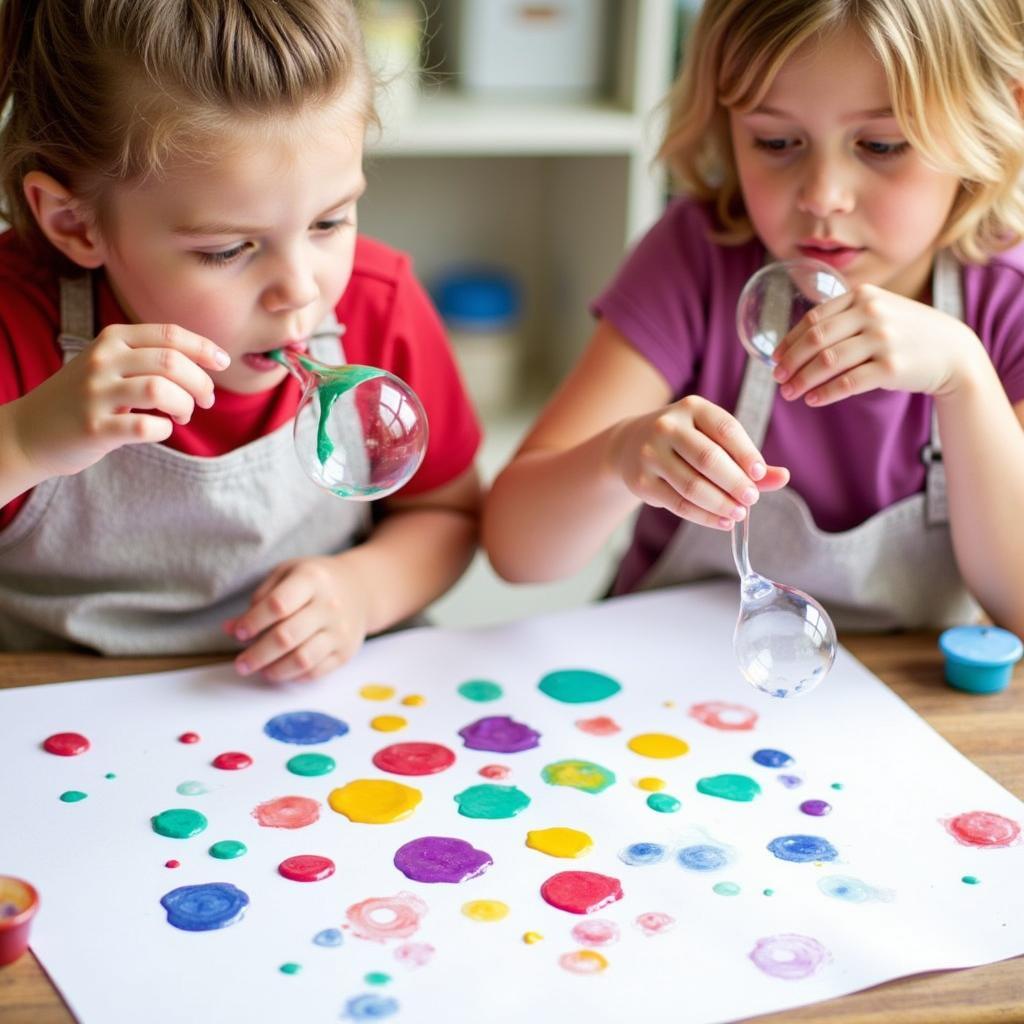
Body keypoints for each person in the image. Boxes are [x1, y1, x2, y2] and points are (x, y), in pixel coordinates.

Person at [484, 0, 1024, 635]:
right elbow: (516, 552)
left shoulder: (1004, 300)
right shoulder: (696, 259)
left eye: (881, 145)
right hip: (667, 688)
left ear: (1002, 117)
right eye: (776, 142)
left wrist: (965, 375)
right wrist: (617, 456)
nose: (823, 195)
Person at [0, 0, 482, 675]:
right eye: (228, 250)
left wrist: (364, 590)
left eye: (329, 223)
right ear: (78, 224)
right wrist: (21, 442)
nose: (300, 290)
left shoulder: (380, 304)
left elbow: (450, 514)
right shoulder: (14, 323)